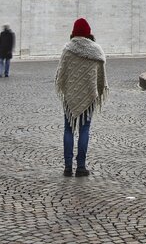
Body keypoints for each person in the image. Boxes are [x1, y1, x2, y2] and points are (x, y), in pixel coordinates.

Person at [55, 18, 108, 178]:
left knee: (68, 130)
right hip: (89, 96)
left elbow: (61, 74)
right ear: (88, 33)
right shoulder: (96, 51)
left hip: (70, 97)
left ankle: (67, 167)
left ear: (73, 32)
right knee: (84, 129)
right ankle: (81, 167)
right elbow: (101, 77)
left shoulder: (68, 49)